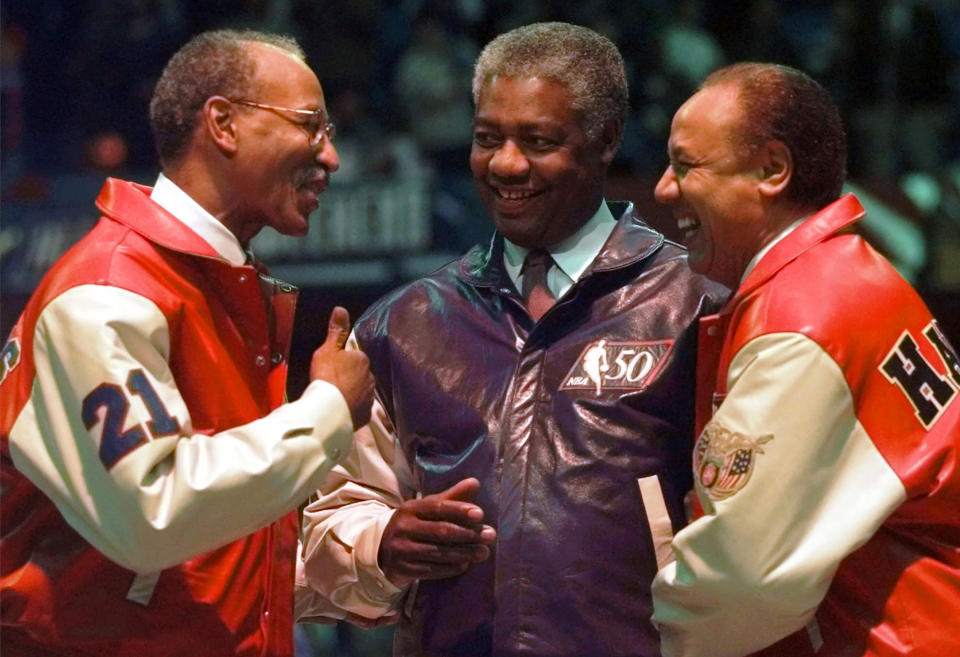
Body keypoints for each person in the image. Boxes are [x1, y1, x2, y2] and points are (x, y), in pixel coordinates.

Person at [296, 22, 728, 657]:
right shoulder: (402, 324)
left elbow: (755, 527)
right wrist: (381, 541)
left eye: (539, 141)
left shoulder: (696, 303)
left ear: (606, 140)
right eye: (486, 138)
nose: (505, 164)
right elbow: (325, 534)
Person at [0, 29, 374, 657]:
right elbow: (155, 513)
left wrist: (377, 554)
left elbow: (209, 563)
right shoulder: (106, 293)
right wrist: (327, 410)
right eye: (311, 126)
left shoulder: (212, 289)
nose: (330, 155)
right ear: (223, 124)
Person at [649, 62, 960, 657]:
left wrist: (657, 631)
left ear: (771, 170)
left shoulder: (799, 320)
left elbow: (743, 579)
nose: (664, 187)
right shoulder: (849, 274)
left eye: (686, 164)